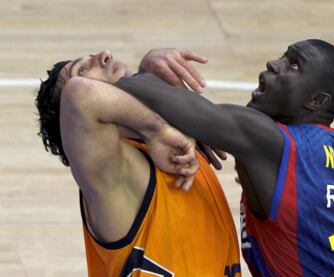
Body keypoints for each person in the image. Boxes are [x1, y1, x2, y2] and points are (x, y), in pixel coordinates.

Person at [99, 39, 334, 276]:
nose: (274, 63)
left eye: (293, 65)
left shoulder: (271, 143)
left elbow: (141, 91)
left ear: (316, 102)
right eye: (283, 55)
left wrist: (146, 68)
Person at [35, 49, 240, 276]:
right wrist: (156, 129)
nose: (104, 55)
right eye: (82, 70)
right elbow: (80, 95)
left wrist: (150, 78)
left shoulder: (175, 142)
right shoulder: (115, 176)